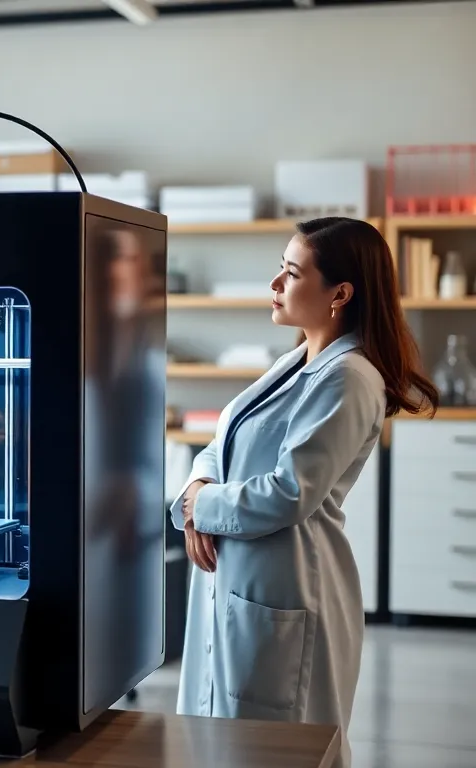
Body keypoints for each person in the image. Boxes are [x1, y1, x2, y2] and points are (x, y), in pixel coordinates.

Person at [170, 217, 438, 768]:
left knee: (278, 750)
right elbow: (222, 443)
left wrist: (201, 506)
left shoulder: (349, 378)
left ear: (340, 293)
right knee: (221, 744)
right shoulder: (299, 362)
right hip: (241, 580)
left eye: (291, 273)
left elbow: (290, 491)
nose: (274, 284)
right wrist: (198, 487)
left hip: (288, 588)